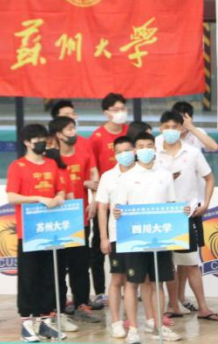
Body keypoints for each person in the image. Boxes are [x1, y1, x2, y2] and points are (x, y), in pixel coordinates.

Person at [114, 132, 183, 344]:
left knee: (158, 283)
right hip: (134, 239)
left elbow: (171, 205)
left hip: (159, 238)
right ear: (135, 150)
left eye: (149, 146)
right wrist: (117, 212)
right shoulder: (126, 177)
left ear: (154, 148)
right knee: (132, 283)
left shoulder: (164, 175)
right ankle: (133, 329)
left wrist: (182, 212)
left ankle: (159, 326)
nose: (145, 150)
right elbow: (119, 207)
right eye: (141, 146)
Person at [6, 123, 70, 342]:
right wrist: (38, 198)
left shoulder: (51, 164)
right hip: (29, 232)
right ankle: (27, 323)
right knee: (29, 278)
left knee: (49, 276)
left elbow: (60, 189)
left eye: (44, 140)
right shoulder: (17, 166)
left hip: (51, 231)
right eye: (37, 140)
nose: (42, 144)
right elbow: (12, 196)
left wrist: (59, 197)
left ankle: (45, 322)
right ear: (27, 142)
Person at [156, 111, 218, 322]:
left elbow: (209, 178)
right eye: (166, 127)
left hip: (186, 215)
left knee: (191, 263)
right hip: (160, 216)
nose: (170, 131)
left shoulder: (192, 152)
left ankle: (203, 308)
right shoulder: (152, 148)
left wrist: (205, 204)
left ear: (181, 128)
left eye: (175, 127)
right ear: (160, 128)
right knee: (168, 265)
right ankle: (173, 305)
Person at [50, 100, 105, 304]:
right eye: (67, 116)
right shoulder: (48, 149)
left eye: (73, 114)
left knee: (80, 261)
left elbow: (94, 175)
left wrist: (93, 201)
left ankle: (82, 302)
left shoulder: (84, 144)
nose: (72, 118)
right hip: (55, 214)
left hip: (80, 212)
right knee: (58, 262)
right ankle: (59, 302)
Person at [97, 136, 137, 338]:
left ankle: (133, 323)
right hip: (116, 236)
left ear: (135, 151)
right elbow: (102, 208)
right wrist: (104, 237)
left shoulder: (143, 174)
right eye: (119, 152)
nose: (124, 155)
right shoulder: (108, 177)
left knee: (134, 280)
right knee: (117, 279)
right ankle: (115, 321)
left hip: (139, 235)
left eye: (127, 150)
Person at [90, 93, 129, 177]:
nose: (120, 112)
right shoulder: (97, 137)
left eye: (123, 109)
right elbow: (92, 165)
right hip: (107, 181)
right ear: (106, 113)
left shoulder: (131, 131)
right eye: (115, 110)